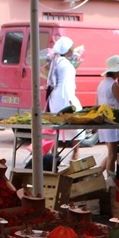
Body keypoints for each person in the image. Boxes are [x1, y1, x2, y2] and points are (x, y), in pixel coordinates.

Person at [45, 36, 80, 167]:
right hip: (64, 96)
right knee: (76, 126)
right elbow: (67, 85)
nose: (73, 49)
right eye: (72, 47)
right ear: (67, 49)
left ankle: (54, 155)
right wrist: (71, 101)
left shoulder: (57, 61)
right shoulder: (65, 64)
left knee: (57, 127)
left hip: (55, 97)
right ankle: (75, 155)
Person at [97, 55, 119, 173]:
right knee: (112, 155)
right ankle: (110, 183)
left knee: (111, 153)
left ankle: (96, 175)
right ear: (116, 70)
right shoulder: (113, 85)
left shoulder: (102, 84)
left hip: (105, 121)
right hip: (112, 122)